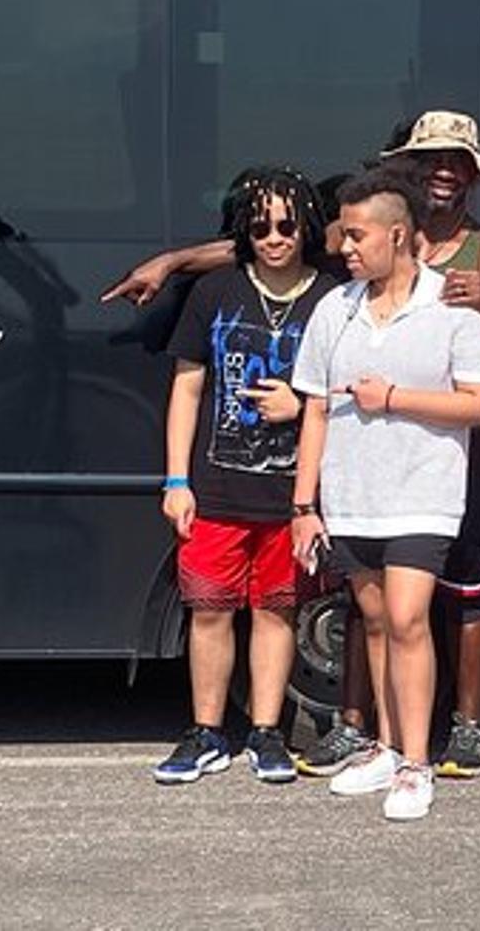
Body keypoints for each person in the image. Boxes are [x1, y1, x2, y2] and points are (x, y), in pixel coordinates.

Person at [100, 111, 480, 779]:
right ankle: (365, 731)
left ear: (474, 175)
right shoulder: (355, 259)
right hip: (357, 475)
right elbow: (270, 244)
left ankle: (463, 724)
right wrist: (178, 258)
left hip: (441, 461)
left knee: (463, 588)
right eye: (429, 159)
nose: (444, 171)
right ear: (404, 177)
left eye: (459, 161)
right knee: (371, 607)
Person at [288, 169, 480, 821]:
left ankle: (415, 763)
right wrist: (304, 506)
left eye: (356, 234)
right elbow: (316, 409)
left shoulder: (451, 308)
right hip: (352, 497)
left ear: (398, 234)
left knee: (408, 620)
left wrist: (395, 399)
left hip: (422, 495)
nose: (344, 246)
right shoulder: (335, 307)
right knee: (375, 623)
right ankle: (382, 747)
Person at [151, 167, 337, 785]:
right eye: (259, 226)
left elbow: (349, 390)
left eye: (287, 224)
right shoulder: (217, 292)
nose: (274, 237)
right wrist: (177, 481)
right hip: (217, 487)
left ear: (307, 224)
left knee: (277, 612)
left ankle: (265, 732)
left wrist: (301, 402)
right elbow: (187, 387)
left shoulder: (332, 298)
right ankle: (206, 731)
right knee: (209, 611)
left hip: (294, 494)